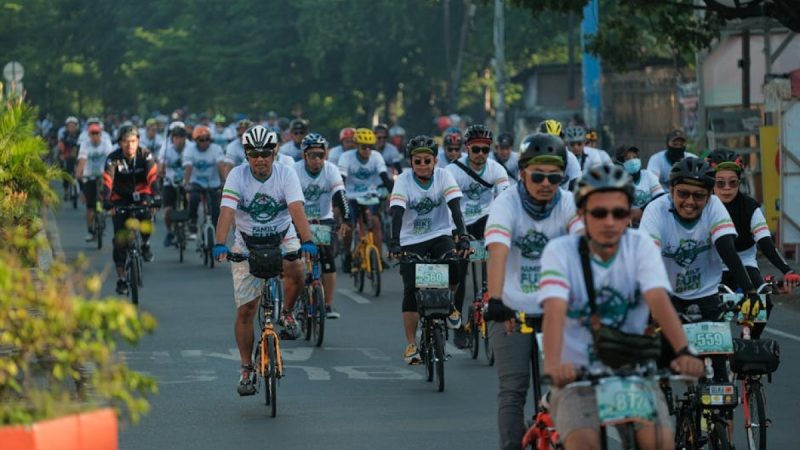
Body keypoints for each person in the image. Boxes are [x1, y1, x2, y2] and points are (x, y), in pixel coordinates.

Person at [538, 163, 704, 450]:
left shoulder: (640, 246)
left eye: (619, 213)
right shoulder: (559, 252)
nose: (610, 222)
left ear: (629, 214)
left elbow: (659, 301)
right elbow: (554, 311)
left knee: (660, 444)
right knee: (584, 445)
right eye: (600, 213)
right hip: (577, 373)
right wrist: (554, 366)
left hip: (632, 369)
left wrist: (683, 352)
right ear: (581, 214)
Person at [482, 133, 584, 450]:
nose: (545, 183)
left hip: (557, 310)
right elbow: (497, 251)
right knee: (513, 389)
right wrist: (496, 300)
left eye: (554, 177)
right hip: (512, 310)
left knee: (569, 386)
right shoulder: (505, 204)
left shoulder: (569, 204)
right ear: (522, 172)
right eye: (537, 175)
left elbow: (585, 251)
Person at [212, 125, 317, 395]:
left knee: (297, 267)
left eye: (265, 153)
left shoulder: (286, 174)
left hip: (282, 236)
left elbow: (296, 208)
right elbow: (226, 211)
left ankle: (287, 313)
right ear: (246, 155)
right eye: (253, 153)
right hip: (247, 242)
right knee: (246, 311)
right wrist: (219, 244)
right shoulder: (237, 176)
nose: (260, 158)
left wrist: (306, 240)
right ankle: (246, 368)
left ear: (275, 152)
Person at [639, 158, 761, 381]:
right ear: (671, 191)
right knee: (662, 362)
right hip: (668, 294)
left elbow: (726, 248)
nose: (690, 202)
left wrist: (750, 290)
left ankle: (721, 415)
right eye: (683, 194)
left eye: (698, 196)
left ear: (709, 196)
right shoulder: (655, 211)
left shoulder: (714, 206)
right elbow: (648, 260)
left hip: (707, 293)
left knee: (719, 372)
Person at [387, 135, 469, 364]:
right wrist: (395, 242)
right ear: (411, 163)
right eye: (417, 161)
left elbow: (455, 209)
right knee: (411, 289)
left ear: (435, 161)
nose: (422, 166)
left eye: (427, 161)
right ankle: (412, 345)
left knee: (454, 265)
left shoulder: (445, 176)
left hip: (439, 234)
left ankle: (450, 304)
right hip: (411, 239)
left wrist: (462, 236)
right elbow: (397, 213)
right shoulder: (403, 180)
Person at [707, 149, 800, 335]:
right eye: (720, 183)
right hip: (712, 267)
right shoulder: (703, 206)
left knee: (763, 303)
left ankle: (748, 341)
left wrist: (787, 271)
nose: (726, 188)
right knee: (709, 309)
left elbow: (766, 243)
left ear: (739, 183)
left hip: (745, 266)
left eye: (732, 183)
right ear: (711, 183)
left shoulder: (750, 207)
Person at [446, 124, 510, 348]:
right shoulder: (452, 171)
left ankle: (490, 296)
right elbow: (449, 206)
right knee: (460, 270)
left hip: (486, 219)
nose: (481, 155)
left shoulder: (496, 170)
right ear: (467, 149)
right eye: (476, 150)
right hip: (460, 221)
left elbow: (505, 200)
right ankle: (458, 324)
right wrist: (455, 233)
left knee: (497, 254)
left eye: (485, 150)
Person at [293, 133, 352, 318]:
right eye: (312, 155)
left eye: (320, 155)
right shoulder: (294, 170)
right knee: (297, 263)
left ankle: (327, 305)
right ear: (305, 155)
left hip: (324, 219)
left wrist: (347, 218)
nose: (317, 159)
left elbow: (340, 195)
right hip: (299, 218)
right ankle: (299, 304)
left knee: (327, 261)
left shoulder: (331, 170)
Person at [102, 125, 160, 295]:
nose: (130, 145)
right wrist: (106, 201)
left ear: (138, 141)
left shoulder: (145, 155)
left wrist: (156, 196)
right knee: (120, 241)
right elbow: (107, 182)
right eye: (126, 142)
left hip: (142, 196)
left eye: (133, 141)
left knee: (148, 215)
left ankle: (146, 243)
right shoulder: (113, 159)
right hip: (119, 199)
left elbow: (152, 177)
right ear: (120, 143)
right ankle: (121, 278)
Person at [338, 128, 394, 270]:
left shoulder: (376, 157)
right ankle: (347, 255)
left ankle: (379, 258)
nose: (367, 150)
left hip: (370, 195)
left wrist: (392, 193)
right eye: (364, 147)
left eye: (370, 147)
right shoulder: (346, 157)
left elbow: (384, 177)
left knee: (375, 222)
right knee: (350, 226)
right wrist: (339, 198)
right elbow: (341, 179)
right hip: (350, 196)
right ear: (356, 145)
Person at [183, 125, 225, 240]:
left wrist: (224, 181)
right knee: (194, 198)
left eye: (207, 139)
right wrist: (186, 184)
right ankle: (192, 224)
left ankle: (216, 230)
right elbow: (188, 167)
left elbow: (220, 165)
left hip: (213, 182)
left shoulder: (216, 149)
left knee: (216, 207)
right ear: (196, 140)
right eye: (201, 140)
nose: (205, 142)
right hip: (196, 181)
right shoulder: (190, 149)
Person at [75, 122, 114, 241]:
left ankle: (104, 211)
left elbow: (111, 159)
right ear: (89, 134)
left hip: (103, 175)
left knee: (108, 196)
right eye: (92, 133)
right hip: (89, 175)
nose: (95, 136)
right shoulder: (85, 145)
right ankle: (90, 231)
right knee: (90, 207)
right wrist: (79, 173)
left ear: (100, 134)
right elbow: (82, 159)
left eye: (97, 133)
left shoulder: (106, 143)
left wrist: (112, 174)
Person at [160, 122, 194, 246]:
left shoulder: (191, 147)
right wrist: (161, 171)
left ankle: (190, 225)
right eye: (176, 137)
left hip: (187, 181)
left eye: (181, 137)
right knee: (168, 210)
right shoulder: (166, 148)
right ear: (172, 138)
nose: (179, 140)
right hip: (170, 181)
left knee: (190, 201)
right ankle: (169, 232)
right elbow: (161, 164)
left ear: (185, 137)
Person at [613, 145, 664, 226]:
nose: (633, 161)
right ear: (619, 163)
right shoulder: (615, 181)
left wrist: (642, 210)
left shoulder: (647, 175)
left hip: (650, 221)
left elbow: (661, 197)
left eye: (635, 157)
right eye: (627, 158)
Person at [536, 119, 581, 190]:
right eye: (548, 139)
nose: (552, 143)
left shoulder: (569, 157)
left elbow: (576, 182)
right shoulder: (531, 154)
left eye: (556, 139)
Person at [58, 116, 81, 197]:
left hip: (78, 157)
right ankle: (66, 190)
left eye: (73, 125)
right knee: (65, 173)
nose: (71, 127)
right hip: (66, 157)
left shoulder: (80, 135)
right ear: (67, 127)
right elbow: (61, 146)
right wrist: (61, 155)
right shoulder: (64, 135)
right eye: (69, 126)